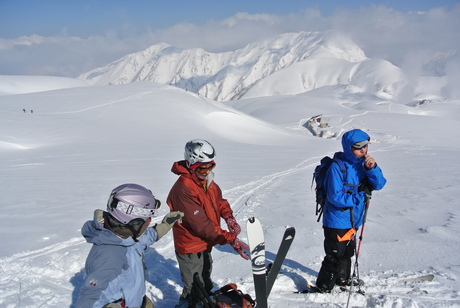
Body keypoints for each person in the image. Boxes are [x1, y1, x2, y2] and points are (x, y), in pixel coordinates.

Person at [167, 139, 249, 308]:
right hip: (190, 245)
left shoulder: (207, 181)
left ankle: (206, 301)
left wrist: (229, 217)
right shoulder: (183, 189)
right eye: (202, 168)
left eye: (211, 166)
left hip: (205, 243)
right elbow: (201, 225)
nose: (207, 171)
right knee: (193, 288)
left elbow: (218, 200)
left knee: (205, 279)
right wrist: (229, 239)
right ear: (190, 164)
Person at [76, 183, 184, 308]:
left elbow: (148, 237)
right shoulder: (110, 254)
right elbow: (89, 298)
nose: (147, 224)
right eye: (146, 221)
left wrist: (166, 224)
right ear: (133, 221)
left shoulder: (127, 238)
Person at [316, 129, 387, 292]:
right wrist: (358, 199)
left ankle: (343, 279)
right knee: (334, 254)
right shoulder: (337, 167)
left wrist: (372, 168)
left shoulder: (364, 163)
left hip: (354, 219)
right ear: (349, 148)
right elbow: (334, 196)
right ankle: (323, 286)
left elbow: (379, 184)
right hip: (337, 219)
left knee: (347, 252)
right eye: (358, 147)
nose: (363, 150)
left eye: (366, 146)